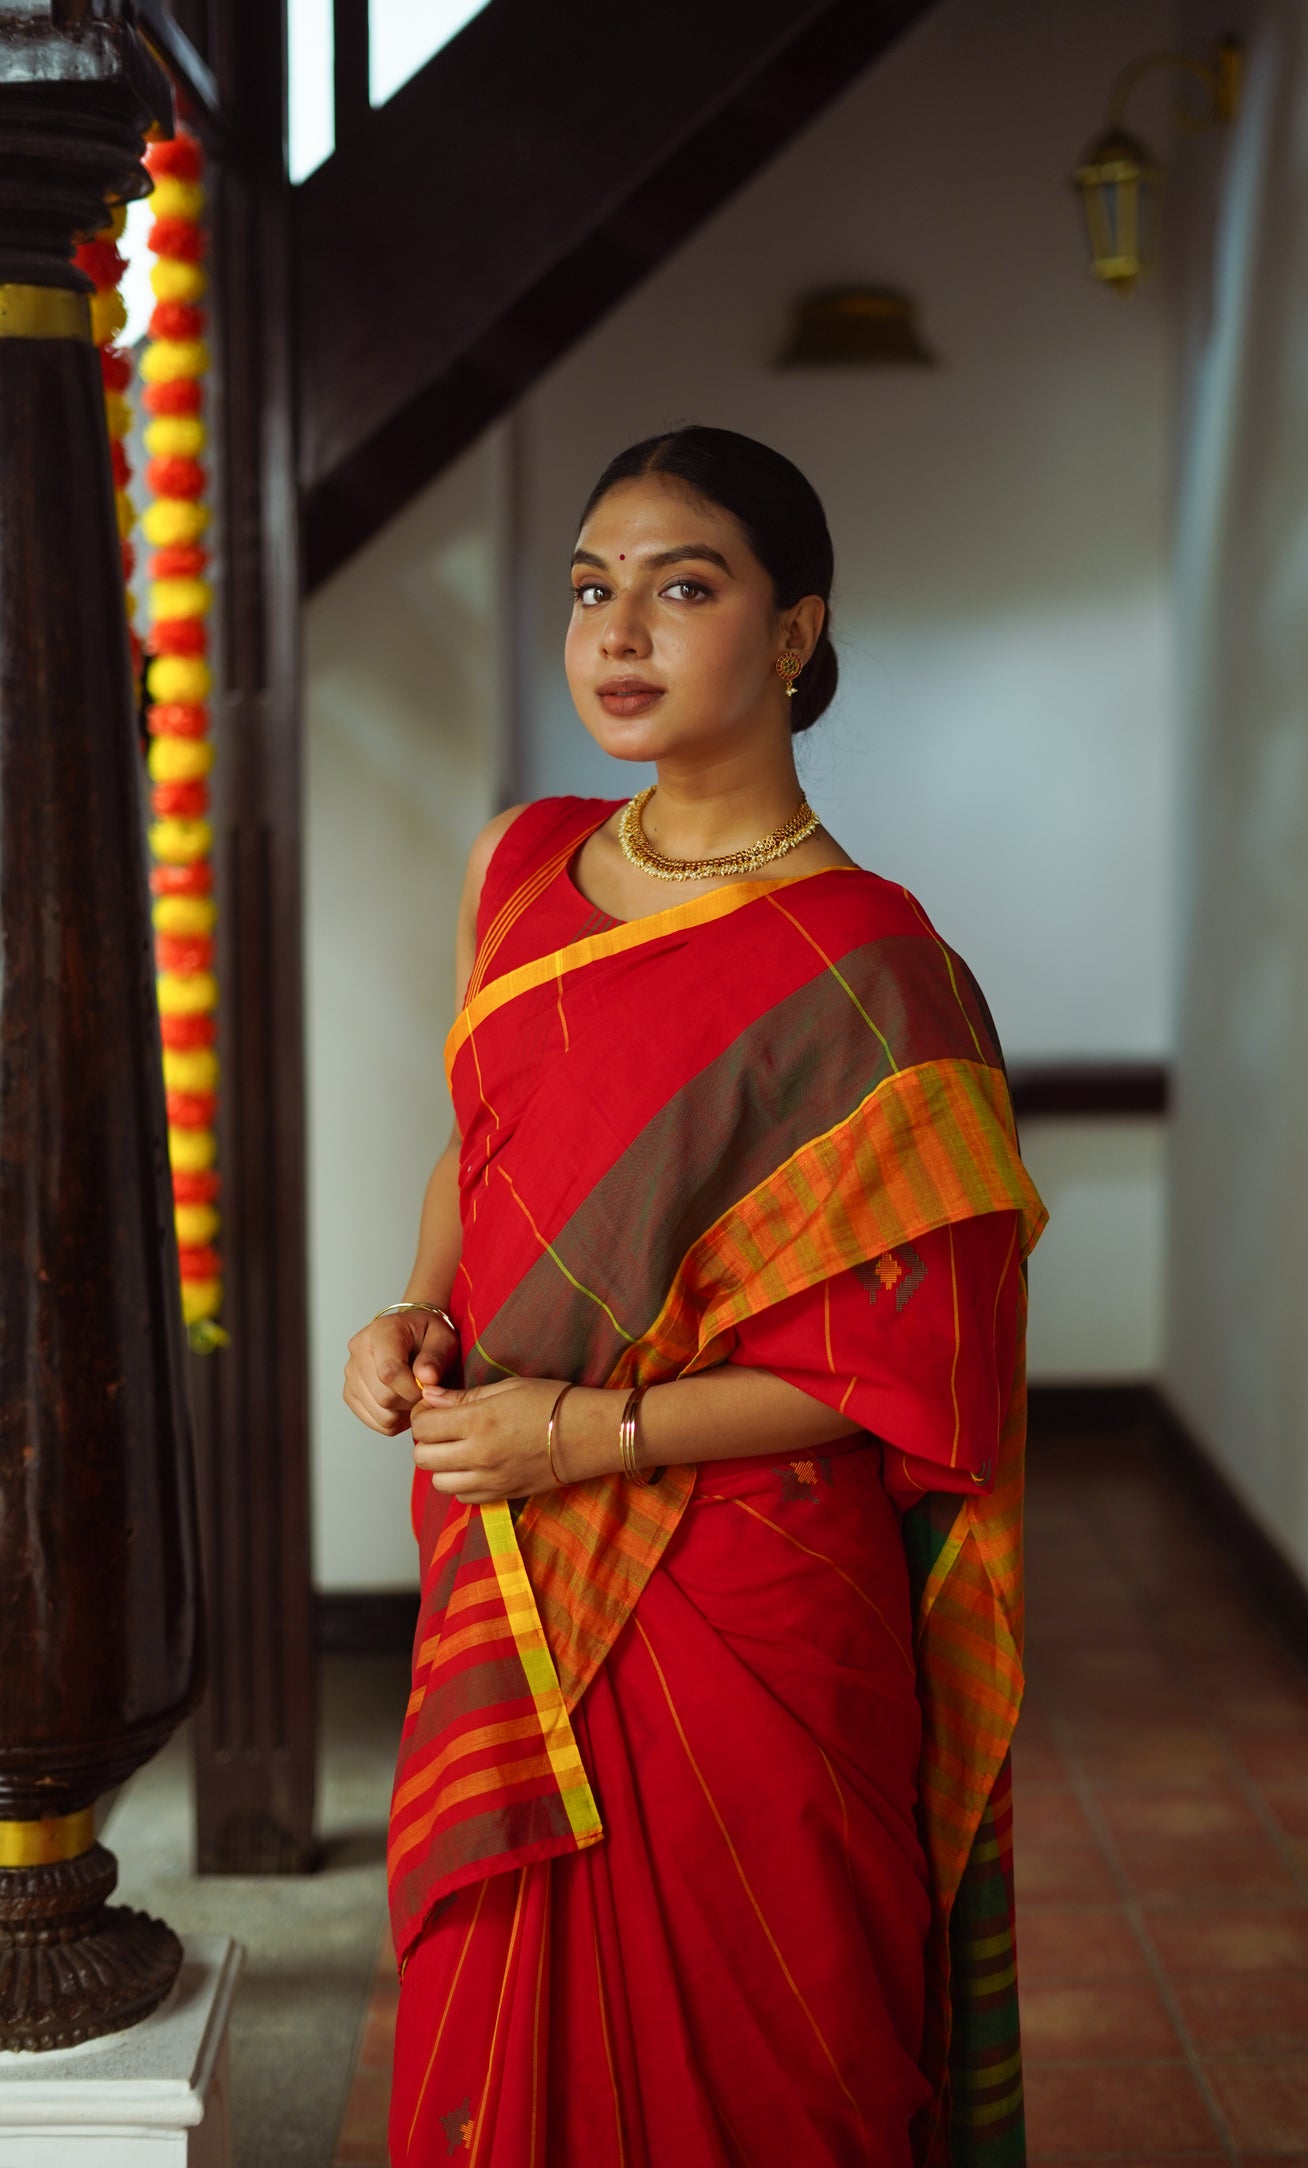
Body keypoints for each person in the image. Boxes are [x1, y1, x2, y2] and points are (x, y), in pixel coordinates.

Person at [343, 426, 1045, 2168]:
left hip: (745, 1580)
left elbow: (908, 1376)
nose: (619, 634)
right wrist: (414, 1310)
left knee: (780, 2037)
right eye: (592, 590)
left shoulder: (878, 968)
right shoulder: (518, 866)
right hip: (507, 1542)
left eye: (683, 587)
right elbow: (481, 1154)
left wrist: (587, 1434)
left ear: (795, 633)